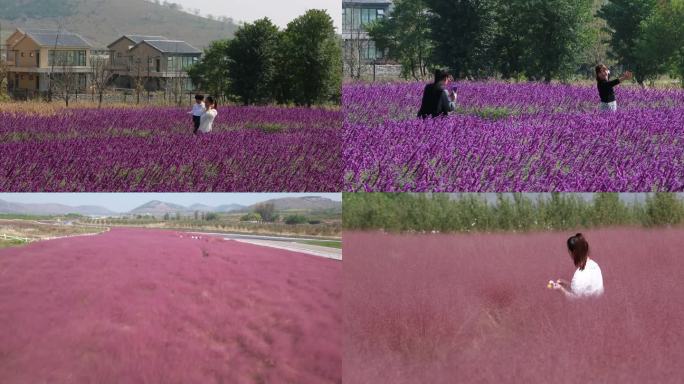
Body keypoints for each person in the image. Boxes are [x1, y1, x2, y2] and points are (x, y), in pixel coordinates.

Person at [550, 233, 604, 298]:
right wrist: (566, 285)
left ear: (572, 253)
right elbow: (584, 289)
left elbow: (576, 301)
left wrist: (561, 290)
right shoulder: (595, 266)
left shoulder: (579, 276)